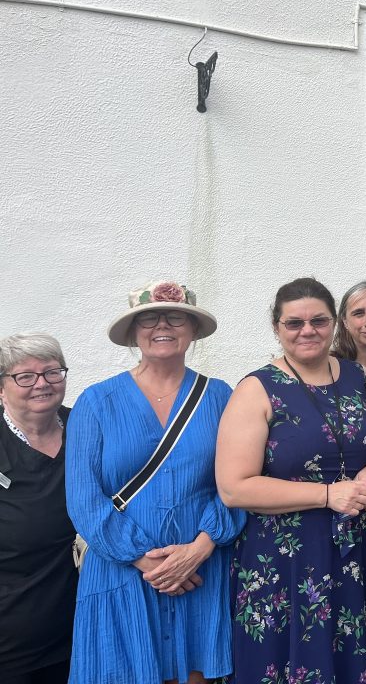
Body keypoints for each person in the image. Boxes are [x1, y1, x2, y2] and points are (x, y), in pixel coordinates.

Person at [66, 280, 245, 684]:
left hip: (200, 568)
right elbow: (83, 499)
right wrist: (146, 561)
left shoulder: (220, 397)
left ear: (193, 329)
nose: (161, 325)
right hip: (122, 570)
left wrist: (199, 549)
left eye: (175, 316)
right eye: (148, 317)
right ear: (133, 332)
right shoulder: (96, 402)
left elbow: (237, 482)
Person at [216, 277, 366, 684]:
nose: (307, 331)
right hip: (284, 560)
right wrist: (328, 495)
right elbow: (234, 487)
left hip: (352, 551)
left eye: (318, 321)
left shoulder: (358, 377)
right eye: (294, 323)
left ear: (334, 325)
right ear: (277, 327)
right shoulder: (257, 389)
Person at [0, 333, 77, 684]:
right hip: (13, 635)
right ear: (2, 385)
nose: (41, 384)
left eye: (52, 373)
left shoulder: (85, 427)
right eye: (25, 376)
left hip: (83, 622)